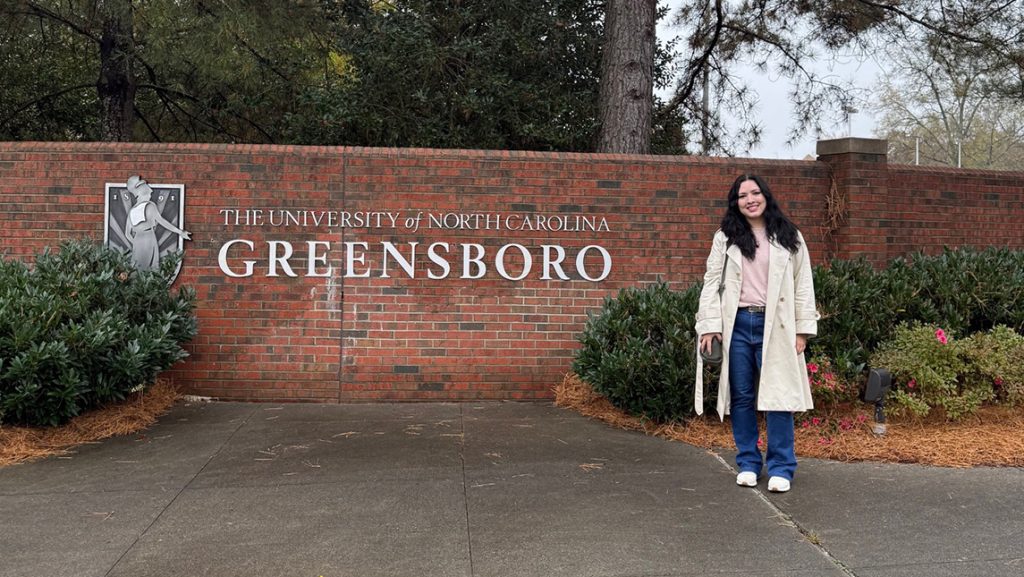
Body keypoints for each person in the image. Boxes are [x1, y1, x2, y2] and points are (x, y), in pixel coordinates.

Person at [694, 174, 817, 493]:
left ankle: (781, 467)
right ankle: (748, 462)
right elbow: (710, 281)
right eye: (742, 195)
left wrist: (803, 329)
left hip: (776, 325)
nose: (750, 199)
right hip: (737, 324)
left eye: (755, 192)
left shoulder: (789, 235)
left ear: (766, 196)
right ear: (735, 202)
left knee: (778, 397)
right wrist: (709, 324)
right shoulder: (726, 237)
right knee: (743, 396)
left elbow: (803, 283)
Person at [124, 175, 191, 271]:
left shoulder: (132, 210)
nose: (151, 193)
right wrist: (180, 232)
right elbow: (162, 222)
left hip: (138, 240)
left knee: (138, 268)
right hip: (149, 237)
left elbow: (127, 234)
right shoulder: (150, 205)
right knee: (151, 268)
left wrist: (137, 244)